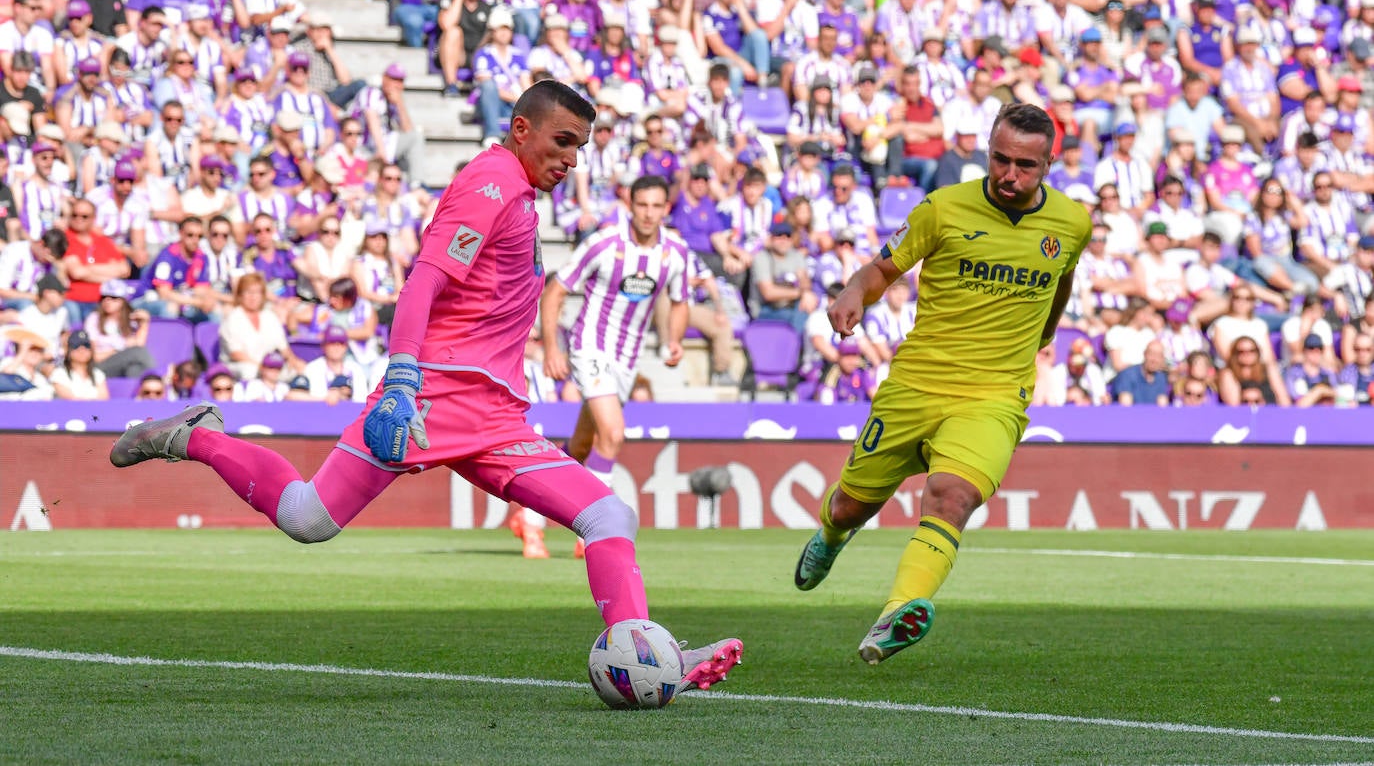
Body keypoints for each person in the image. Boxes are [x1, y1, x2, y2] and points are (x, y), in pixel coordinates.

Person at [109, 80, 741, 692]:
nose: (572, 160)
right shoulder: (489, 186)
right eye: (563, 141)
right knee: (308, 518)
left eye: (581, 148)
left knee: (609, 514)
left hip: (493, 415)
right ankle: (196, 437)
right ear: (521, 129)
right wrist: (403, 379)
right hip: (432, 399)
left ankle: (646, 653)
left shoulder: (516, 193)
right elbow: (422, 282)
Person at [793, 103, 1091, 664]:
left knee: (952, 496)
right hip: (917, 384)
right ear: (987, 152)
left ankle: (898, 611)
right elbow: (882, 268)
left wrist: (1045, 332)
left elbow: (1062, 280)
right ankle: (831, 537)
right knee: (851, 507)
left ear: (1050, 163)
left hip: (996, 394)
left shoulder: (1072, 223)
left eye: (1025, 165)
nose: (1009, 175)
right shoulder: (943, 208)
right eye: (1000, 159)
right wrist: (854, 292)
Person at [538, 174, 689, 558]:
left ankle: (528, 511)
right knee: (614, 432)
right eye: (642, 205)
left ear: (666, 209)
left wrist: (674, 338)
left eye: (657, 206)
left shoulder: (675, 252)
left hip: (625, 360)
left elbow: (680, 299)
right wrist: (552, 348)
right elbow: (556, 290)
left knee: (584, 444)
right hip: (591, 349)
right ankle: (594, 530)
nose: (649, 214)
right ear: (630, 205)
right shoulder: (604, 244)